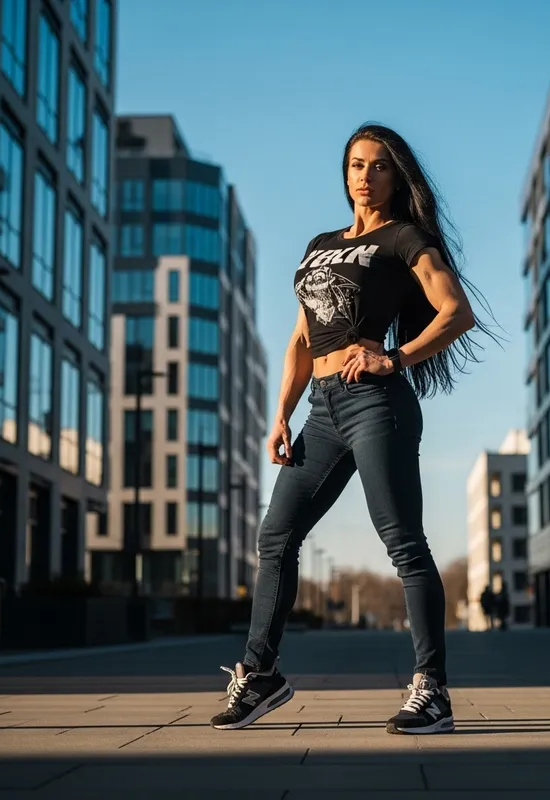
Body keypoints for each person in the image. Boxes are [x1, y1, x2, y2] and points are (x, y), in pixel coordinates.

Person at [211, 123, 497, 735]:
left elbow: (456, 312)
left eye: (378, 166)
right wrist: (280, 415)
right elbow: (299, 340)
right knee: (275, 537)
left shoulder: (405, 238)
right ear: (344, 174)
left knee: (404, 545)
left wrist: (394, 358)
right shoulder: (319, 244)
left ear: (397, 176)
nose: (364, 177)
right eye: (355, 166)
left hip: (375, 403)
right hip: (320, 409)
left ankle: (433, 689)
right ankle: (260, 676)